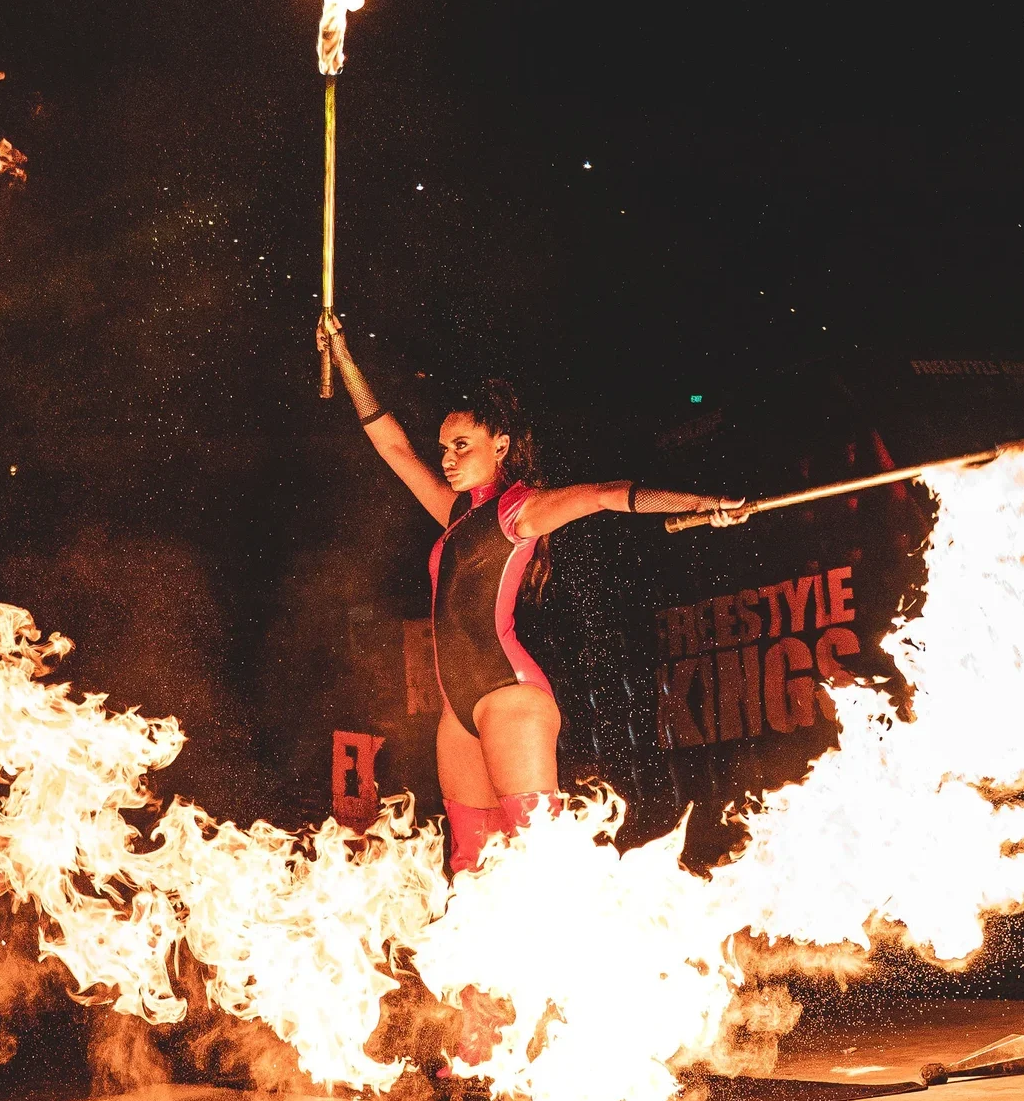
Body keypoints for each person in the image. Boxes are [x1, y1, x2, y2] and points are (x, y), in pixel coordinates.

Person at [319, 314, 749, 870]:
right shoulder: (454, 515)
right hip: (457, 712)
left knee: (536, 859)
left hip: (510, 698)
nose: (447, 458)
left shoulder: (517, 510)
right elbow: (392, 445)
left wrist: (699, 504)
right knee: (470, 868)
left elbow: (604, 495)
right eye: (445, 447)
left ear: (500, 446)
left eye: (461, 446)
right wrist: (344, 357)